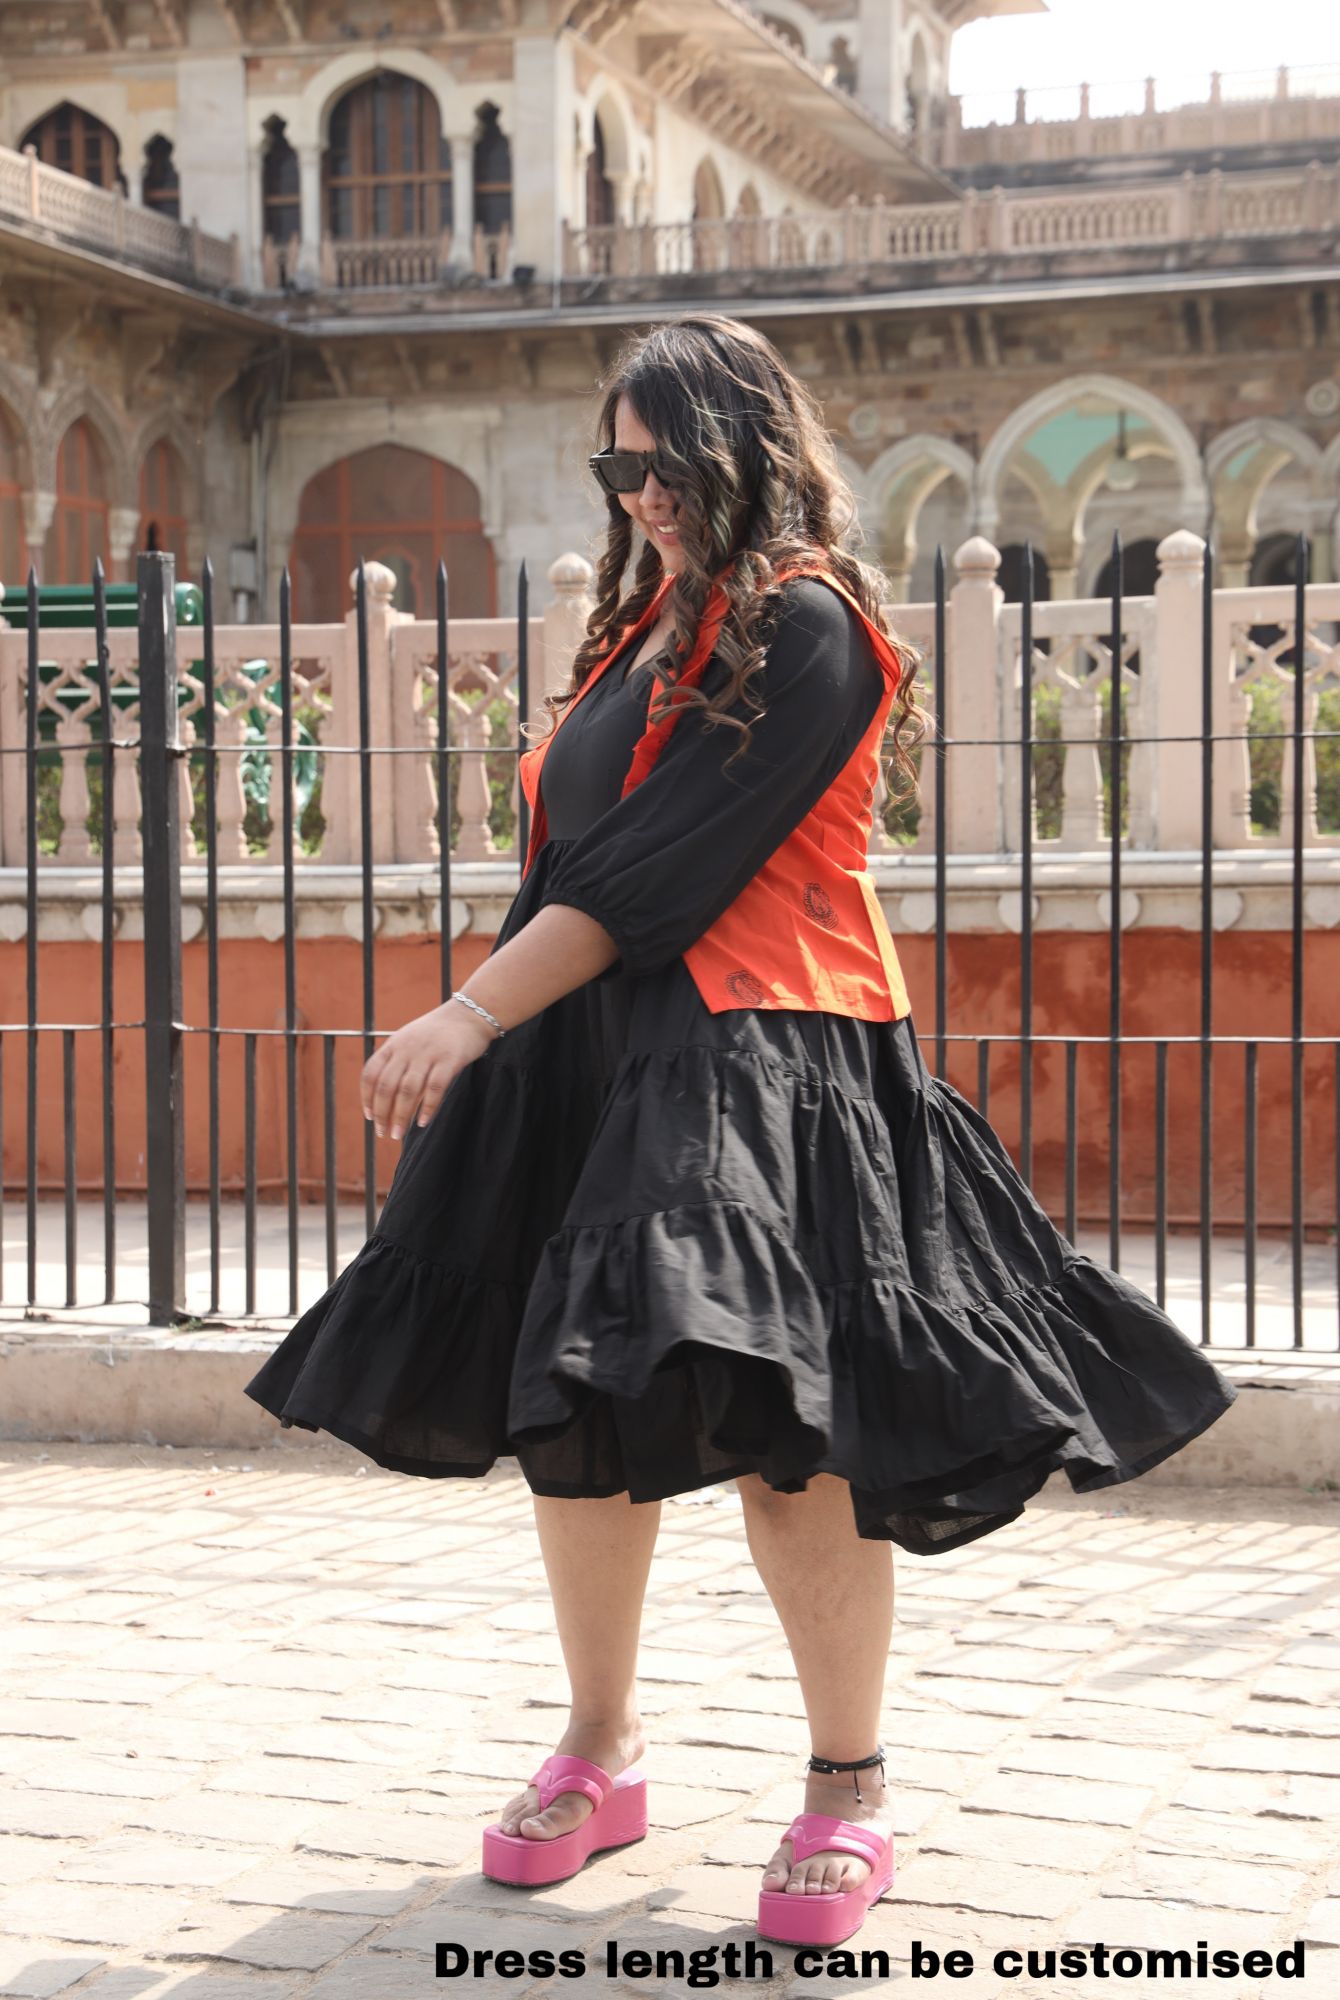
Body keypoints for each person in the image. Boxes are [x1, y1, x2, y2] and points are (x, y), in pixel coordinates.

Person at [244, 312, 1236, 1947]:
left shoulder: (812, 628)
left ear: (743, 444)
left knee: (794, 1438)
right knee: (572, 1421)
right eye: (611, 465)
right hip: (591, 1055)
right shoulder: (637, 634)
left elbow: (663, 874)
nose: (634, 492)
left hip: (771, 1056)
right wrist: (509, 1034)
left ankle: (849, 1784)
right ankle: (598, 1749)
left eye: (659, 460)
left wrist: (469, 1011)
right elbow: (570, 872)